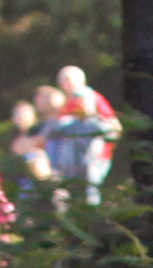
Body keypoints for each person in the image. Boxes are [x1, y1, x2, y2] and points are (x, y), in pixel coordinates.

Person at [40, 66, 119, 203]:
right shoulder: (66, 104)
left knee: (91, 192)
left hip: (95, 158)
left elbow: (114, 127)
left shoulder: (93, 98)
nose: (67, 83)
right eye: (63, 80)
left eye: (69, 79)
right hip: (71, 161)